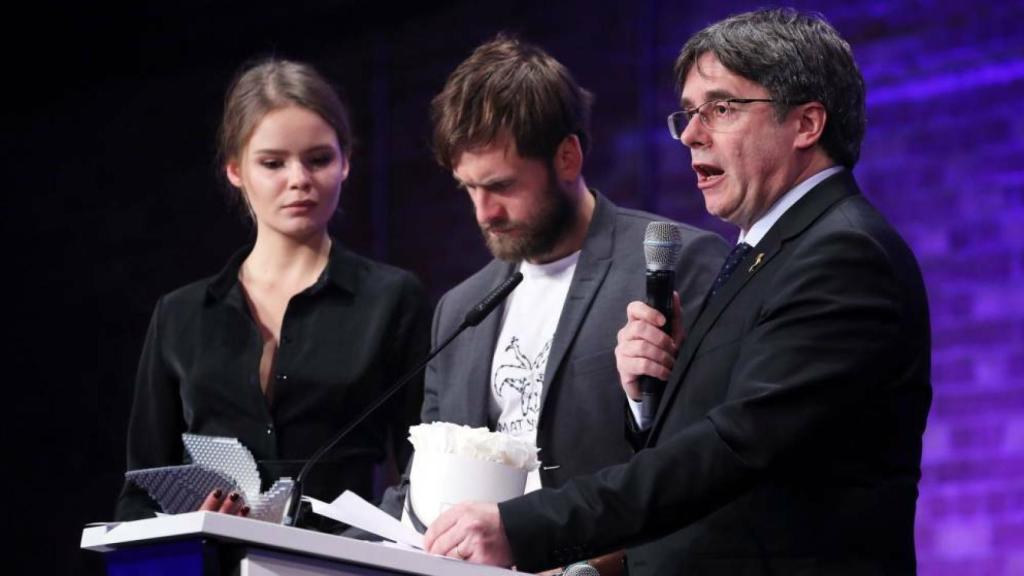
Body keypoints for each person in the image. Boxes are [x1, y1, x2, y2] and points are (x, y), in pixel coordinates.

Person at [423, 9, 932, 575]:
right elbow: (709, 441)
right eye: (689, 113)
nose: (690, 133)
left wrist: (522, 527)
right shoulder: (766, 253)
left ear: (806, 124)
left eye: (720, 108)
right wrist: (647, 401)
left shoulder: (842, 254)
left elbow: (730, 450)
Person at [376, 35, 728, 574]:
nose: (483, 212)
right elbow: (421, 485)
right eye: (467, 188)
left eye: (500, 185)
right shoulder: (460, 308)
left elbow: (702, 469)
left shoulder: (677, 265)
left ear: (568, 156)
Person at [115, 58, 429, 529]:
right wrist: (187, 522)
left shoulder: (392, 299)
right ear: (235, 170)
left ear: (346, 163)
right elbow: (139, 493)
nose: (298, 179)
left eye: (318, 159)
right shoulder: (180, 315)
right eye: (273, 163)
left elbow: (421, 472)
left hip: (341, 563)